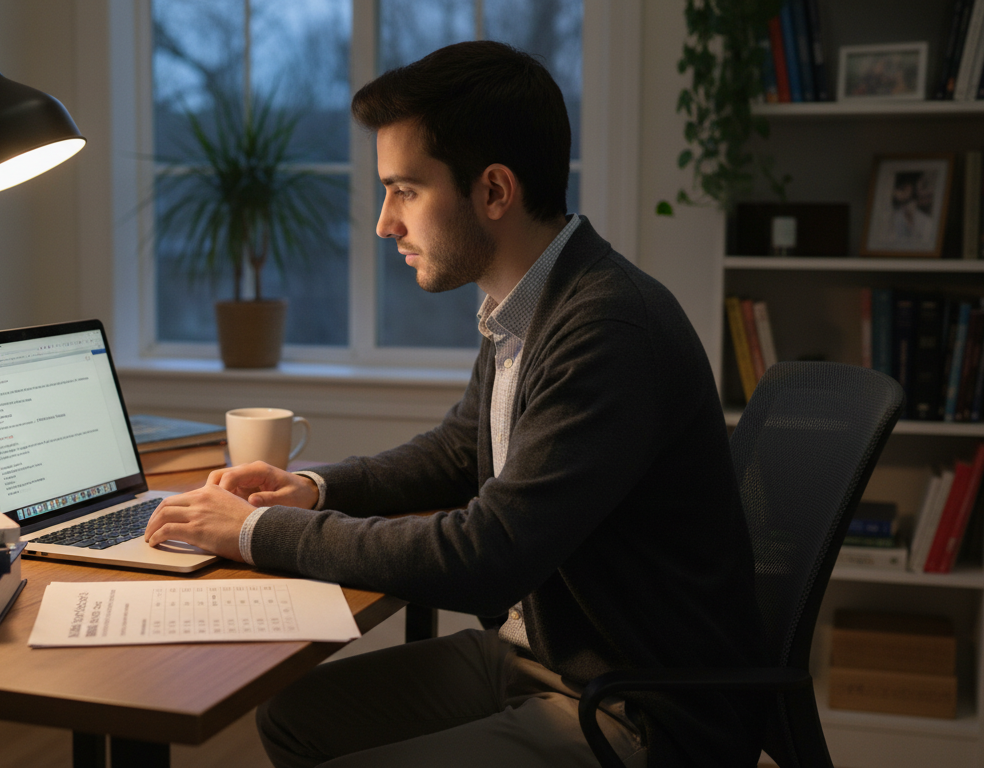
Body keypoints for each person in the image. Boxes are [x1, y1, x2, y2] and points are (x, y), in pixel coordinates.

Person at [144, 40, 765, 767]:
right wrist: (313, 489)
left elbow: (486, 557)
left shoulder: (605, 328)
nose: (384, 223)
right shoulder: (525, 304)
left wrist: (255, 531)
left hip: (636, 711)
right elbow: (456, 451)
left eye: (404, 190)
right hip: (542, 657)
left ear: (494, 191)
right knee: (296, 719)